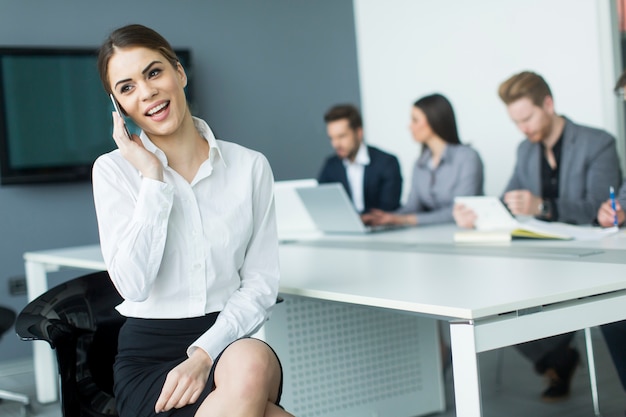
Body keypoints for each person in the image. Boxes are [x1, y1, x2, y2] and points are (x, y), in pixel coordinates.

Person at [92, 24, 293, 417]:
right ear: (118, 106)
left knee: (250, 360)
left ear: (179, 73)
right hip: (149, 361)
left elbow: (260, 285)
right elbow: (133, 286)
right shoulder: (114, 172)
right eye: (127, 87)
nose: (147, 91)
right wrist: (152, 179)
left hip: (228, 345)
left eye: (153, 72)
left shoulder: (250, 167)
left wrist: (203, 355)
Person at [454, 70, 622, 402]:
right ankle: (557, 357)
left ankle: (557, 356)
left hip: (593, 256)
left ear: (548, 104)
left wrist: (543, 206)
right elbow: (508, 201)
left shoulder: (597, 142)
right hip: (544, 256)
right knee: (494, 293)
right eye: (516, 122)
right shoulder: (525, 150)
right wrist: (477, 214)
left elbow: (600, 207)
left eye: (527, 118)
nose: (523, 128)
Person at [361, 93, 484, 227]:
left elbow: (459, 211)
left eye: (415, 120)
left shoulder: (467, 157)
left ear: (433, 119)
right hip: (431, 235)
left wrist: (405, 220)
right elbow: (412, 207)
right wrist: (387, 218)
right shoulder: (420, 163)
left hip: (464, 233)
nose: (410, 126)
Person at [318, 104, 402, 214]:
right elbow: (322, 203)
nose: (336, 144)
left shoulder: (386, 162)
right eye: (332, 138)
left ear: (358, 133)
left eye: (342, 136)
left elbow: (388, 209)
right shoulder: (331, 165)